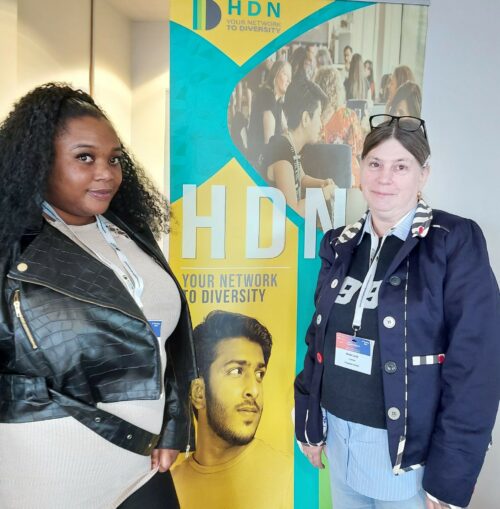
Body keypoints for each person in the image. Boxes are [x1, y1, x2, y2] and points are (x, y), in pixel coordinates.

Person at [0, 83, 197, 508]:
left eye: (114, 159)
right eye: (84, 158)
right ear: (38, 162)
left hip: (143, 460)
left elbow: (168, 341)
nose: (106, 172)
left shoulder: (126, 232)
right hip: (50, 466)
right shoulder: (12, 246)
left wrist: (174, 424)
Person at [295, 115, 499, 509]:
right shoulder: (339, 243)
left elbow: (477, 365)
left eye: (400, 166)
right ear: (360, 172)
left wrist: (451, 474)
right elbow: (317, 338)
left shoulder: (452, 242)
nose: (385, 177)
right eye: (374, 164)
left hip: (409, 461)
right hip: (340, 442)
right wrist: (309, 425)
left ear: (423, 175)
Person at [172, 310, 292, 509]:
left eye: (259, 374)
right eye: (236, 371)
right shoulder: (170, 487)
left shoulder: (289, 478)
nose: (254, 390)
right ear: (199, 393)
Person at [262, 79, 335, 217]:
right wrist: (324, 194)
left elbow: (301, 178)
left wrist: (322, 183)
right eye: (319, 116)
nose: (321, 124)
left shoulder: (288, 144)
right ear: (306, 118)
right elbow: (293, 211)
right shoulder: (282, 152)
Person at [315, 65, 364, 187]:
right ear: (338, 89)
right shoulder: (349, 115)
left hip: (318, 176)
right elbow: (358, 148)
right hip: (347, 178)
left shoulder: (313, 117)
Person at [246, 60, 292, 166]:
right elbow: (269, 141)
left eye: (290, 76)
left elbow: (287, 132)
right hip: (260, 162)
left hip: (265, 158)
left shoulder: (277, 101)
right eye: (285, 74)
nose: (289, 80)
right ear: (275, 74)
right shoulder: (267, 97)